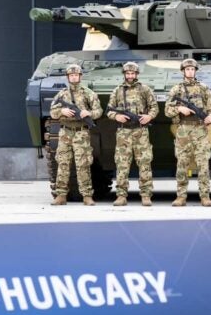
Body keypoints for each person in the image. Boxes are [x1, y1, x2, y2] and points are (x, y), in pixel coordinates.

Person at [164, 58, 211, 207]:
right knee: (182, 164)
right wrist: (179, 109)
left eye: (192, 69)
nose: (190, 71)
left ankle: (205, 196)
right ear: (183, 71)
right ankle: (181, 196)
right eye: (187, 69)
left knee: (203, 164)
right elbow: (167, 110)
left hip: (200, 130)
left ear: (195, 71)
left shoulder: (203, 88)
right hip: (183, 131)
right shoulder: (177, 89)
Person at [106, 61, 158, 206]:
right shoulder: (117, 91)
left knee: (144, 163)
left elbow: (154, 107)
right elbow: (109, 110)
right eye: (127, 73)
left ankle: (146, 195)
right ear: (124, 74)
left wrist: (149, 116)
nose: (130, 76)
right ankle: (121, 195)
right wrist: (116, 116)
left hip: (141, 131)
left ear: (136, 74)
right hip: (123, 131)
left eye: (132, 73)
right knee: (122, 164)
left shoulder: (145, 89)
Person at [50, 63, 102, 206]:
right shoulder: (61, 94)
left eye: (76, 75)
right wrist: (61, 112)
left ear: (80, 76)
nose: (74, 77)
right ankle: (60, 195)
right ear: (68, 77)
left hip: (81, 133)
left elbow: (99, 111)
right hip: (65, 132)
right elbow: (52, 112)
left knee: (83, 165)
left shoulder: (88, 93)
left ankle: (87, 196)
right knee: (63, 163)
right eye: (71, 75)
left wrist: (89, 113)